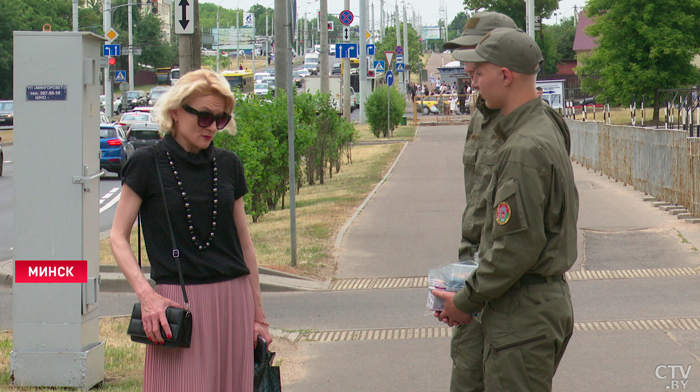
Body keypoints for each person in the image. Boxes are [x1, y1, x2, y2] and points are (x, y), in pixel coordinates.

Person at [110, 69, 272, 391]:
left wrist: (258, 315)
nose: (212, 127)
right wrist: (147, 296)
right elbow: (117, 236)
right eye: (204, 117)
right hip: (176, 307)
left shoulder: (229, 165)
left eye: (221, 119)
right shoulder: (146, 164)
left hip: (233, 302)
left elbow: (245, 245)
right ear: (175, 112)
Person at [435, 27, 578, 391]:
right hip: (532, 305)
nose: (474, 83)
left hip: (521, 314)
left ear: (504, 75)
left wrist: (465, 300)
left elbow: (516, 246)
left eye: (479, 73)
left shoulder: (522, 148)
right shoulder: (542, 125)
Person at [439, 11, 519, 392]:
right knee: (466, 377)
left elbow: (519, 238)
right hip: (473, 274)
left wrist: (472, 294)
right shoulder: (482, 114)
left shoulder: (523, 124)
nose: (466, 63)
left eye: (473, 51)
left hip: (505, 290)